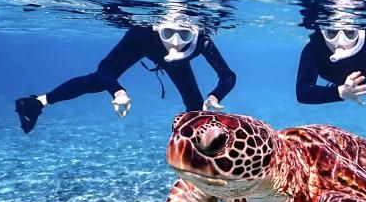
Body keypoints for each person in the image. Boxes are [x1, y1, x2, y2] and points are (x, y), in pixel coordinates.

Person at [14, 17, 236, 133]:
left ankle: (198, 161)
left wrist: (215, 97)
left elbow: (228, 76)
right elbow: (105, 69)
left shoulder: (202, 41)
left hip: (175, 62)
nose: (176, 42)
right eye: (168, 33)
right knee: (99, 81)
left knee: (197, 109)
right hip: (146, 46)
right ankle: (37, 102)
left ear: (194, 32)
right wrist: (118, 91)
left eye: (184, 34)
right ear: (158, 28)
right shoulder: (143, 34)